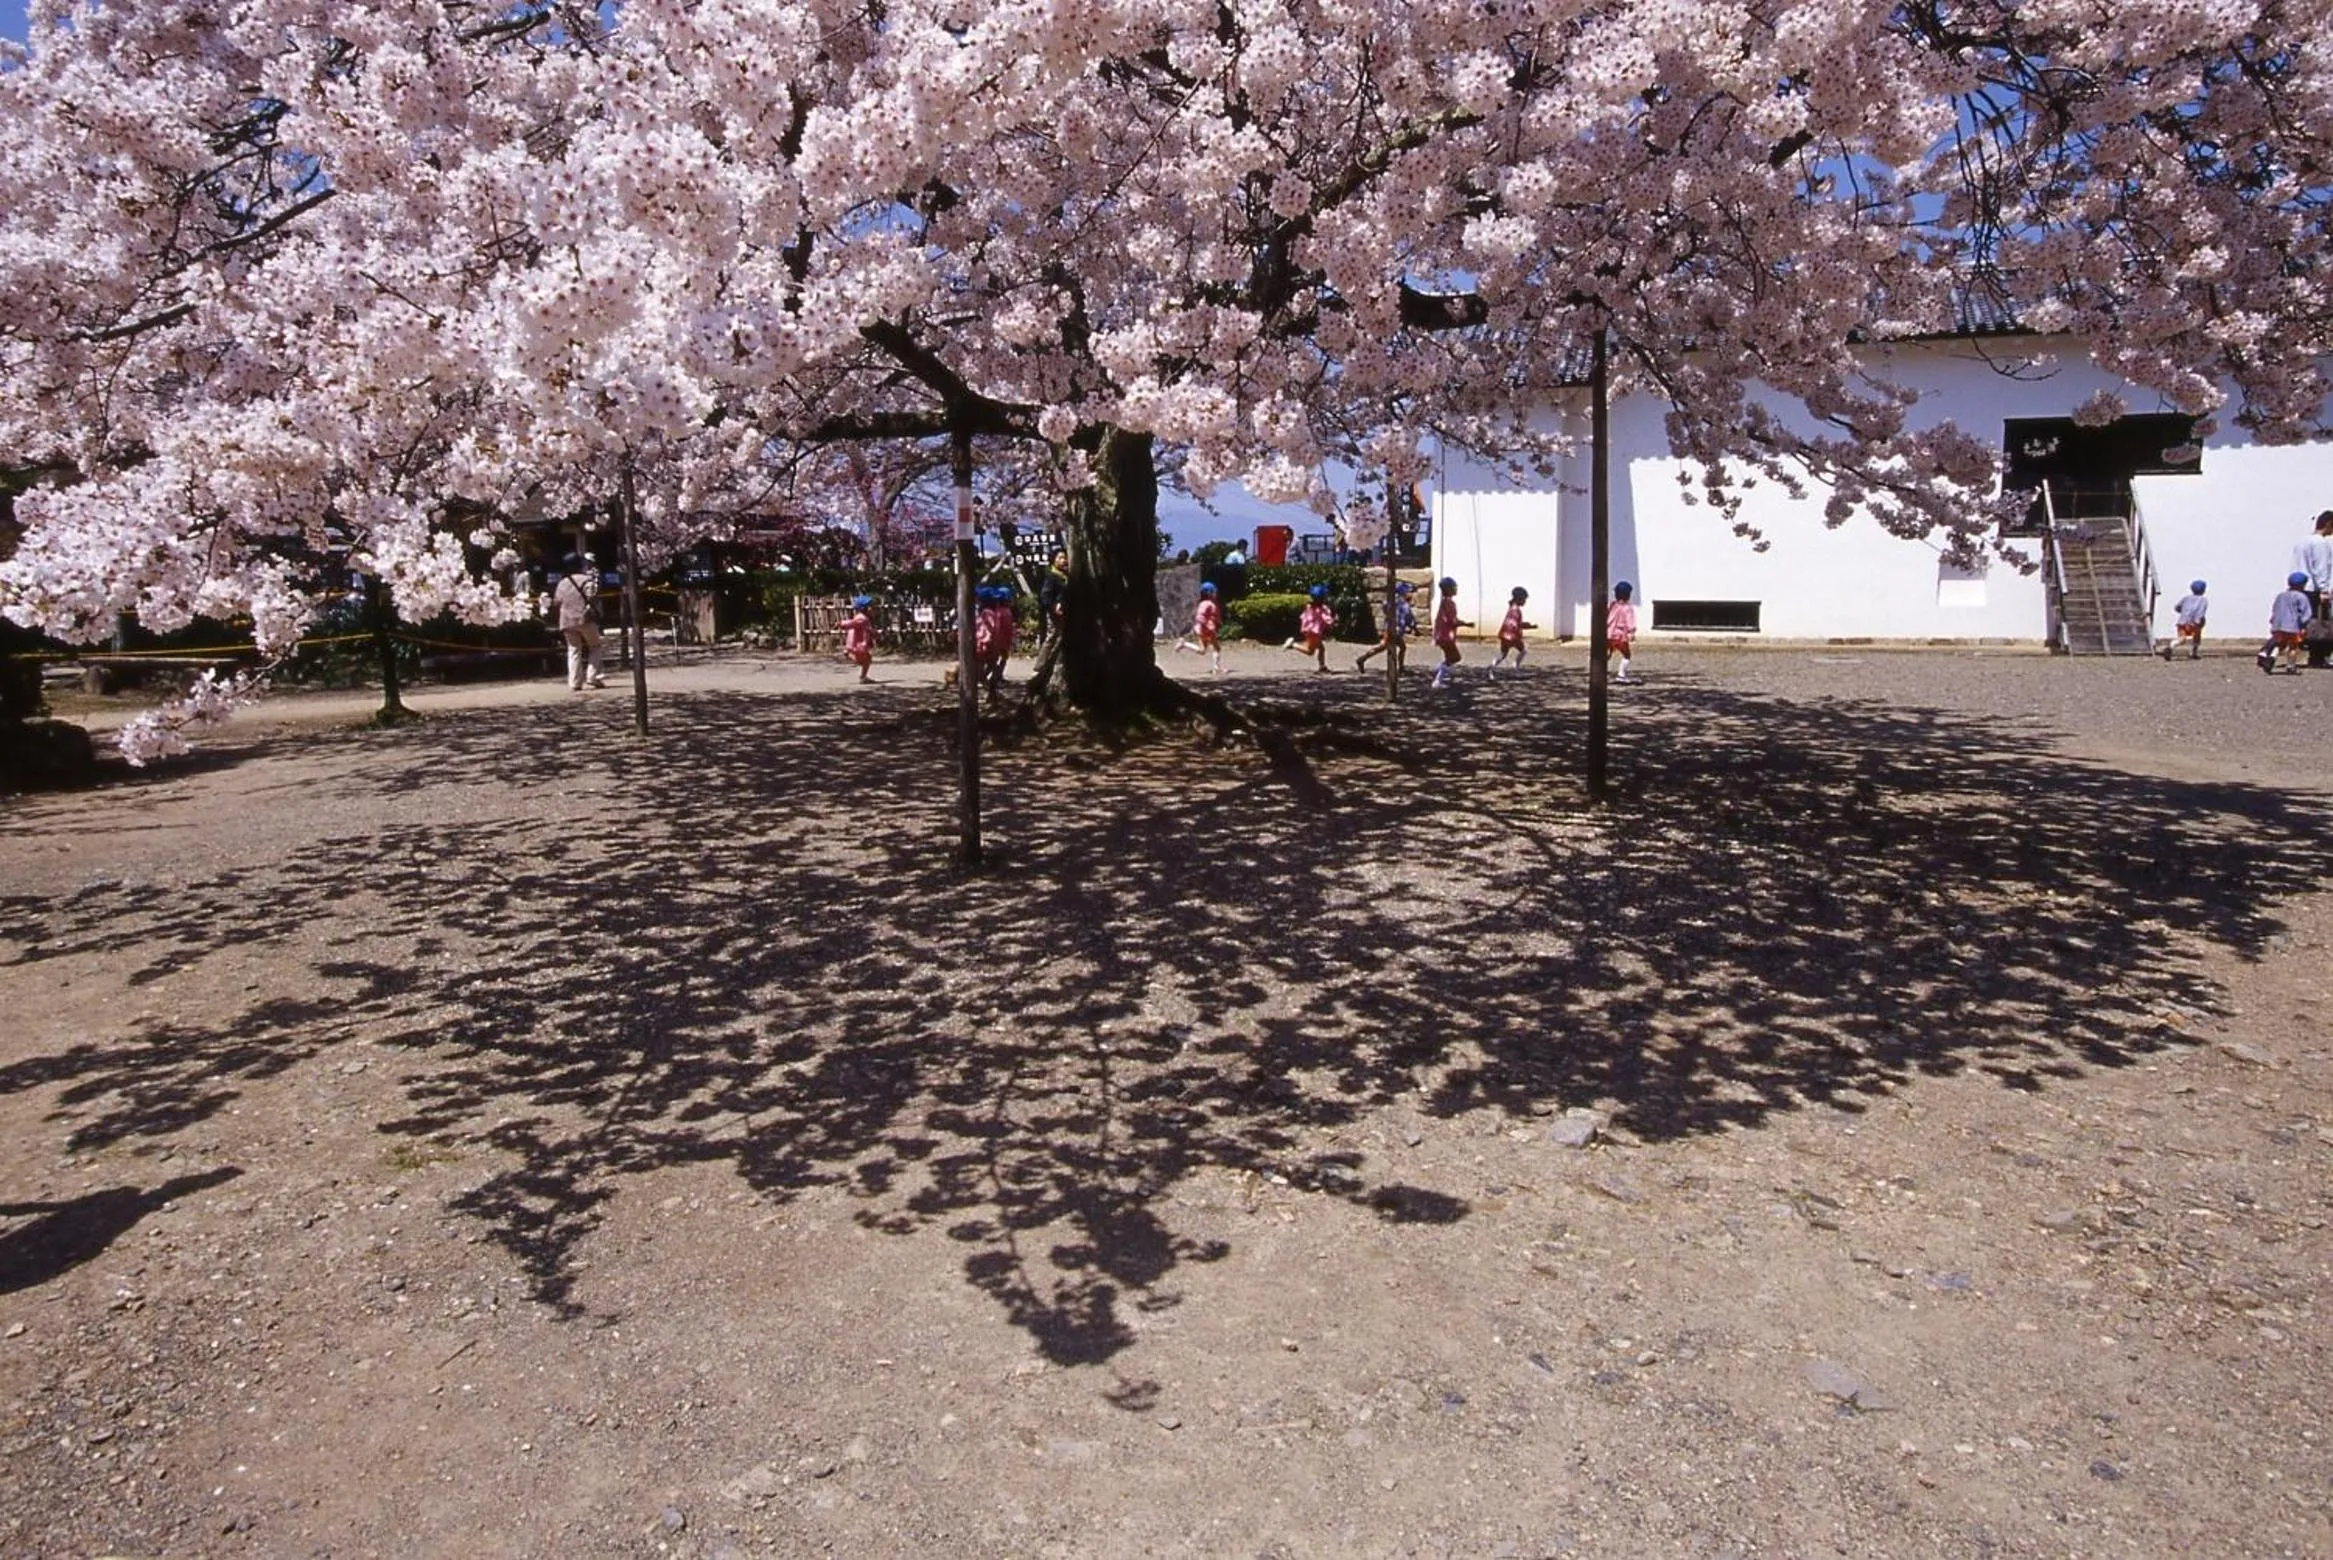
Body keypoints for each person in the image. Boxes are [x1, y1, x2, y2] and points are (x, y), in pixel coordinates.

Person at [551, 553, 606, 691]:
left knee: (574, 650)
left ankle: (574, 682)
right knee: (595, 646)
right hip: (585, 618)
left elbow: (557, 601)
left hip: (567, 620)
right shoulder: (587, 581)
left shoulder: (562, 583)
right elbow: (593, 597)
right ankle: (593, 677)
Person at [2294, 512, 2333, 665]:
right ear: (2328, 523)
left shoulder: (2302, 542)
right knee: (2321, 624)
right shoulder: (2320, 544)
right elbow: (2320, 568)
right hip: (2314, 588)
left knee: (2306, 623)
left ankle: (2311, 653)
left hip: (2301, 586)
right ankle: (2319, 656)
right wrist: (2324, 590)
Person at [1356, 580, 1417, 676]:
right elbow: (1409, 617)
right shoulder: (1404, 604)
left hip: (1389, 627)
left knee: (1401, 647)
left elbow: (1384, 607)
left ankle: (1400, 668)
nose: (1410, 594)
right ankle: (1363, 659)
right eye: (1408, 592)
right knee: (1384, 647)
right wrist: (1413, 626)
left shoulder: (1391, 600)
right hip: (1395, 630)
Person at [2261, 571, 2312, 674]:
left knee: (2279, 644)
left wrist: (2273, 620)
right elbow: (2306, 614)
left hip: (2278, 626)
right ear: (2303, 585)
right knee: (2293, 647)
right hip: (2293, 627)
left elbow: (2275, 609)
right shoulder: (2301, 597)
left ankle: (2271, 657)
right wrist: (2303, 625)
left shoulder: (2281, 596)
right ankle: (2291, 666)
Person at [976, 583, 1019, 696]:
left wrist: (986, 640)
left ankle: (989, 684)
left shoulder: (989, 613)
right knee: (993, 664)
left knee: (986, 665)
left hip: (987, 644)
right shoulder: (1001, 612)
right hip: (997, 642)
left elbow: (988, 630)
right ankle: (991, 684)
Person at [1284, 583, 1336, 672]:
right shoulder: (1322, 609)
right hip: (1314, 632)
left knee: (1321, 648)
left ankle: (1322, 666)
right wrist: (1333, 621)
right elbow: (1327, 620)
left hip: (1308, 630)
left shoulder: (1309, 607)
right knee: (1310, 651)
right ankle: (1293, 645)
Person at [1174, 581, 1223, 674]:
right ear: (1209, 593)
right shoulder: (1207, 604)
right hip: (1206, 630)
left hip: (1202, 630)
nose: (1216, 593)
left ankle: (1184, 644)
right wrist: (1209, 625)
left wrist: (1217, 621)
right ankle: (1216, 668)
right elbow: (1200, 617)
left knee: (1202, 650)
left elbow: (1213, 615)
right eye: (1214, 592)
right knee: (1217, 648)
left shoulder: (1208, 603)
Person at [1429, 576, 1470, 689]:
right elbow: (1453, 621)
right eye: (1454, 587)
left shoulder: (1444, 602)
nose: (1456, 589)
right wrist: (1466, 624)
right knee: (1455, 657)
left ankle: (1440, 672)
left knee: (1449, 657)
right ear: (1449, 589)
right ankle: (1438, 679)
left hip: (1441, 635)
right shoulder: (1449, 603)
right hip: (1446, 636)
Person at [1490, 586, 1538, 677]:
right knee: (1523, 651)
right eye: (1524, 599)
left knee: (1503, 654)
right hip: (1512, 637)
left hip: (1504, 635)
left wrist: (1526, 625)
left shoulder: (1512, 608)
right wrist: (1528, 626)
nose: (1525, 602)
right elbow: (1516, 624)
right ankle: (1515, 667)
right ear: (1519, 599)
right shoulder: (1516, 610)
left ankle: (1492, 668)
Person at [1608, 580, 1639, 683]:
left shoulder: (1612, 605)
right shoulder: (1627, 608)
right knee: (1626, 655)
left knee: (1607, 654)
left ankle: (1600, 673)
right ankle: (1621, 674)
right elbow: (1630, 622)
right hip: (1620, 636)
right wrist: (1631, 633)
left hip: (1609, 634)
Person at [839, 594, 876, 682]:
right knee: (864, 660)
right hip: (858, 644)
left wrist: (872, 632)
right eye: (870, 607)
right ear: (864, 608)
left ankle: (863, 676)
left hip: (858, 643)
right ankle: (862, 676)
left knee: (867, 659)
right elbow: (851, 623)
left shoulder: (864, 618)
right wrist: (842, 623)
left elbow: (866, 629)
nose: (873, 609)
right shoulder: (861, 618)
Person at [2169, 580, 2207, 662]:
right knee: (2196, 636)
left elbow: (2177, 607)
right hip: (2194, 623)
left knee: (2182, 639)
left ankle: (2172, 645)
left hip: (2182, 622)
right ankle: (2193, 652)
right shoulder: (2203, 600)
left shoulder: (2186, 598)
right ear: (2204, 590)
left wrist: (2182, 612)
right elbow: (2201, 612)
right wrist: (2199, 622)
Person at [1036, 552, 1069, 645]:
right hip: (1054, 612)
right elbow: (1045, 595)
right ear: (1054, 560)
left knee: (1060, 638)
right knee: (1052, 637)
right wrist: (1053, 607)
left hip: (1064, 611)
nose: (1064, 560)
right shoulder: (1052, 576)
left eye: (1065, 558)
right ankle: (1043, 659)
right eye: (1060, 558)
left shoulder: (1064, 575)